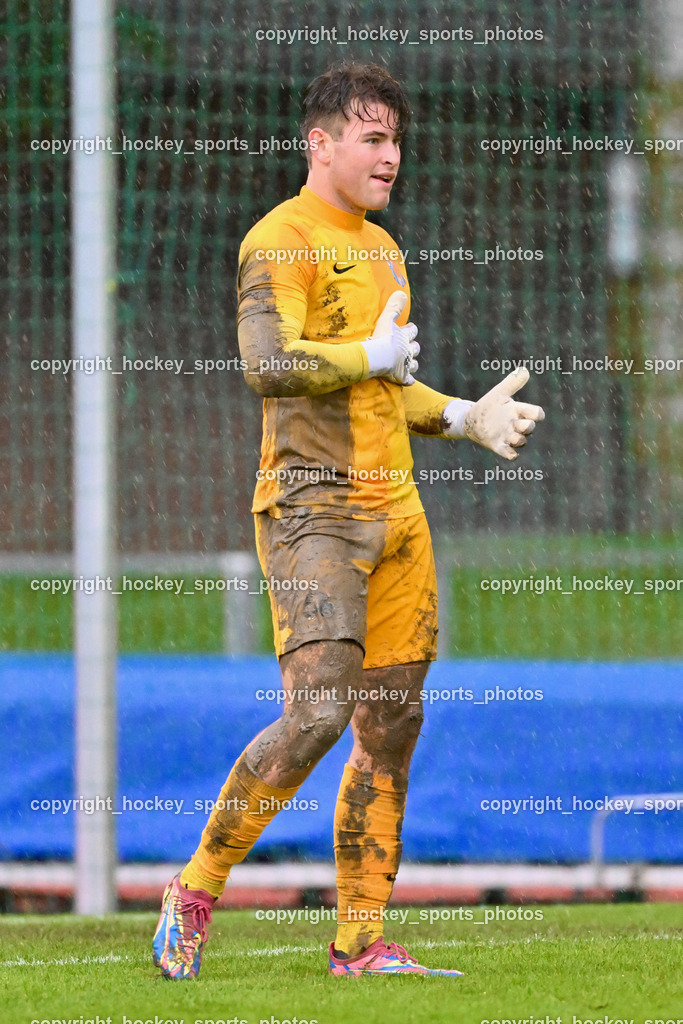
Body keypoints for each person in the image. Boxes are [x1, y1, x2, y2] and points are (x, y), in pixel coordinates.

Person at [152, 61, 544, 980]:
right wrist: (365, 349)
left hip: (398, 511)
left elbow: (385, 385)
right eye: (372, 138)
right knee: (319, 712)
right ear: (318, 143)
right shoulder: (276, 241)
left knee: (390, 723)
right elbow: (266, 362)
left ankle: (359, 943)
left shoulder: (383, 248)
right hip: (311, 511)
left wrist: (461, 416)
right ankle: (195, 888)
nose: (390, 157)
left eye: (396, 140)